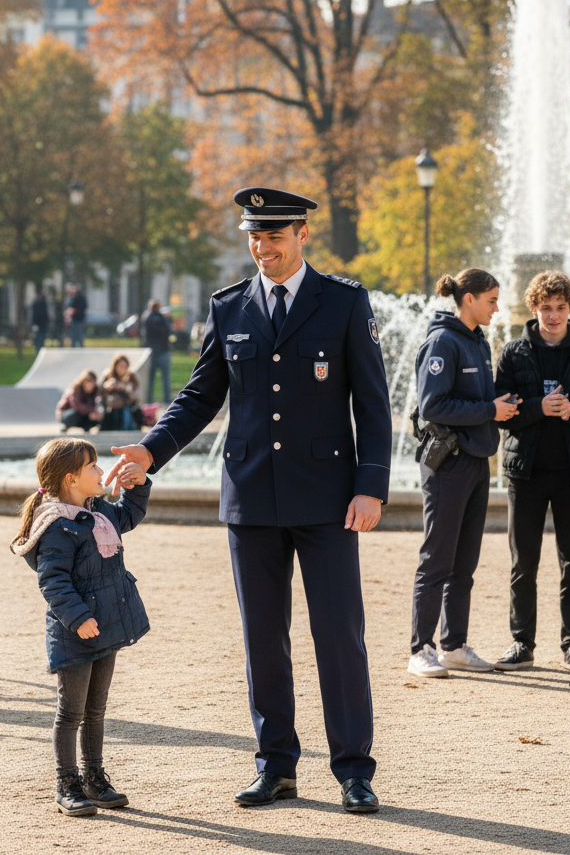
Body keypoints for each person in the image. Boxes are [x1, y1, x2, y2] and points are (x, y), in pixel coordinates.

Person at [108, 187, 392, 814]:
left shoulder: (343, 303)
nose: (263, 248)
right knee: (263, 639)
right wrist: (151, 452)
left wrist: (371, 486)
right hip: (252, 499)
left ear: (302, 236)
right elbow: (200, 395)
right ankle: (277, 767)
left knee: (338, 637)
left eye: (274, 237)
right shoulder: (230, 306)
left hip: (327, 500)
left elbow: (373, 404)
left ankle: (353, 769)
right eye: (254, 238)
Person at [10, 438, 151, 816]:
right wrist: (78, 618)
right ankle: (66, 782)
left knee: (97, 709)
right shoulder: (58, 526)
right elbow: (52, 581)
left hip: (105, 627)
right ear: (72, 479)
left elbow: (129, 517)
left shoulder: (97, 511)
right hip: (75, 632)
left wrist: (138, 486)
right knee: (71, 712)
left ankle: (95, 778)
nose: (101, 472)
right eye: (93, 467)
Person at [492, 271, 570, 675]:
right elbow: (501, 413)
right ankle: (521, 643)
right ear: (534, 308)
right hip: (524, 472)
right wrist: (537, 408)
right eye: (546, 308)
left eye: (560, 308)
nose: (554, 315)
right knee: (522, 562)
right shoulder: (513, 352)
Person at [409, 269, 520, 679]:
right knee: (437, 558)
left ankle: (453, 644)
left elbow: (470, 400)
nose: (497, 307)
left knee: (464, 561)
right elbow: (433, 406)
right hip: (447, 463)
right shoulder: (442, 341)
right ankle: (420, 648)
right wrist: (491, 411)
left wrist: (498, 403)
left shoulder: (476, 341)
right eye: (491, 300)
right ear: (468, 299)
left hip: (475, 460)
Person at [100, 355, 145, 431]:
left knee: (126, 413)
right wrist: (108, 388)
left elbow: (137, 395)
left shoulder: (132, 377)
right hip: (111, 407)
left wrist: (124, 389)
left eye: (125, 367)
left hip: (127, 406)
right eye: (121, 366)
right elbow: (100, 393)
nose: (123, 369)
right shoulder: (108, 376)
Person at [142, 300, 172, 404]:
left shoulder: (146, 317)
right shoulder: (161, 318)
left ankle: (149, 399)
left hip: (152, 351)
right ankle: (166, 399)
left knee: (151, 379)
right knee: (165, 378)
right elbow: (167, 331)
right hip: (163, 351)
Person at [64, 284, 88, 348]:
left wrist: (75, 311)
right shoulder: (68, 299)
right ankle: (73, 348)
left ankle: (81, 348)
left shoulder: (80, 298)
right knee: (72, 337)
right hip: (72, 320)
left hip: (79, 319)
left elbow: (82, 308)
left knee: (80, 336)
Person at [31, 287, 49, 352]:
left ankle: (39, 351)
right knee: (39, 339)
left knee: (39, 339)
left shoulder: (39, 303)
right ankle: (39, 351)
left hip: (40, 324)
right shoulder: (39, 303)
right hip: (40, 324)